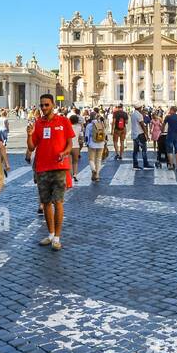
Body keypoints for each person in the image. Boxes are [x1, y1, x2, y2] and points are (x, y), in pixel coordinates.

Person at [27, 93, 74, 250]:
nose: (44, 107)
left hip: (59, 167)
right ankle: (51, 234)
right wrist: (29, 135)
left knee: (58, 202)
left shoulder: (63, 121)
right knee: (46, 203)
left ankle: (57, 238)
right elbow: (32, 147)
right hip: (42, 168)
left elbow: (69, 144)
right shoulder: (38, 124)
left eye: (47, 104)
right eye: (42, 105)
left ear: (53, 105)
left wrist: (65, 152)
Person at [84, 110, 106, 182]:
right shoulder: (101, 124)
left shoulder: (89, 125)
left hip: (92, 144)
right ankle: (97, 175)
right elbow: (105, 134)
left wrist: (87, 143)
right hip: (101, 144)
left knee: (91, 159)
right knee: (99, 159)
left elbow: (87, 136)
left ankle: (93, 170)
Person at [164, 105, 177, 172]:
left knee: (170, 151)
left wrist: (162, 130)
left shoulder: (168, 117)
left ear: (172, 110)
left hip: (170, 135)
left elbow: (163, 125)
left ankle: (171, 165)